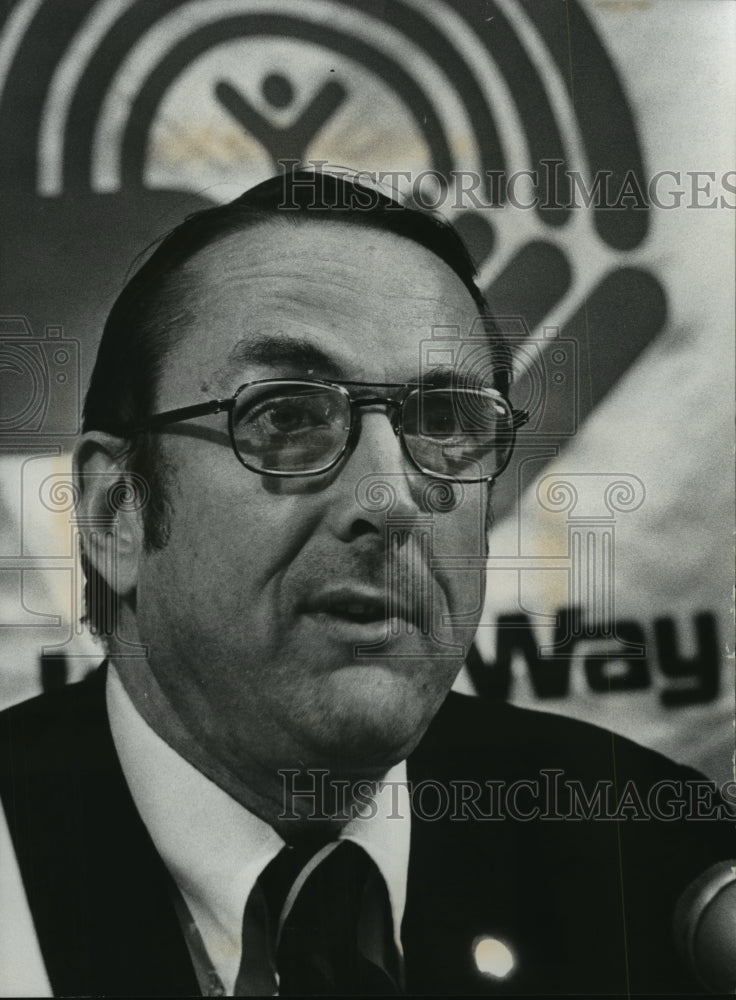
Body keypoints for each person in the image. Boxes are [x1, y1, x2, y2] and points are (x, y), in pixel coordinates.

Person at [0, 169, 732, 997]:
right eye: (285, 415)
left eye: (447, 422)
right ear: (115, 512)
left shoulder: (643, 853)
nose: (392, 501)